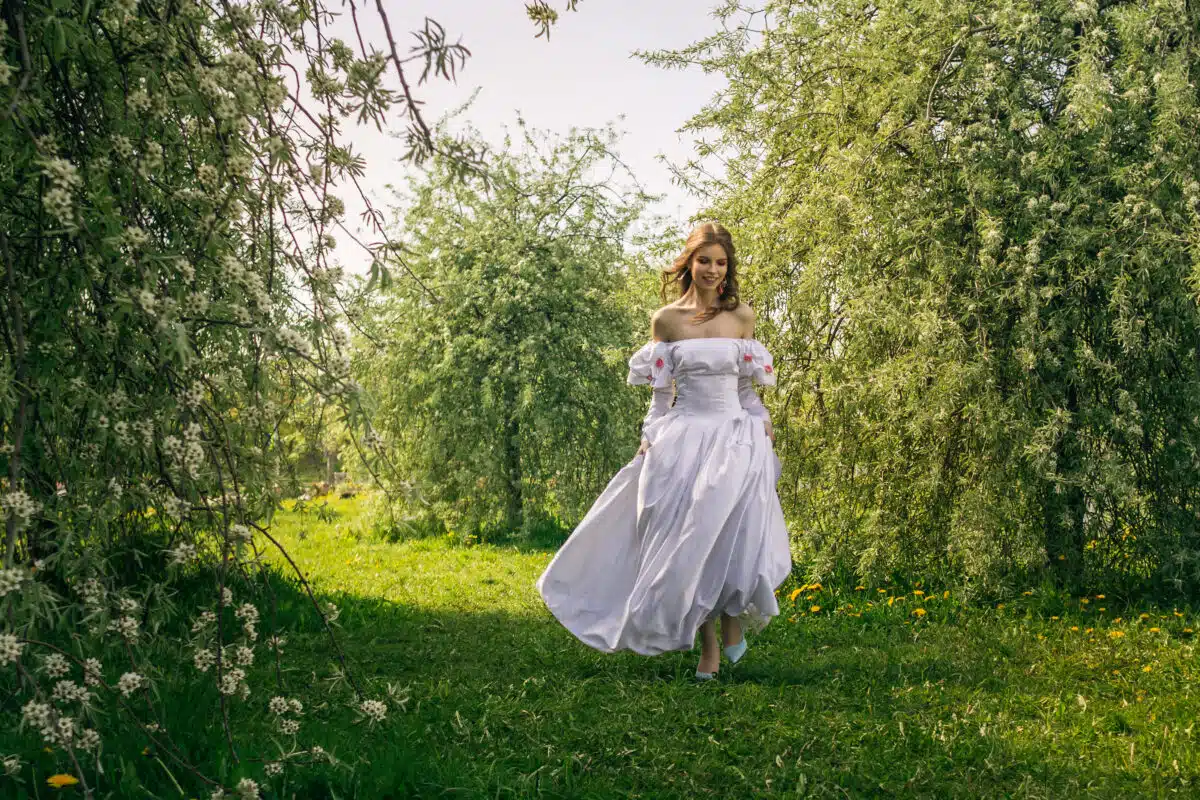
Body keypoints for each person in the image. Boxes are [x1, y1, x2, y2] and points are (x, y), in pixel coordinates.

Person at [536, 222, 791, 680]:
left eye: (721, 262)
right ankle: (710, 645)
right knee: (690, 538)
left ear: (728, 268)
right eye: (705, 260)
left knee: (731, 530)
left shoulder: (743, 318)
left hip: (736, 434)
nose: (713, 270)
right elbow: (660, 397)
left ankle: (733, 620)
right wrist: (651, 435)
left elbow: (747, 391)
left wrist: (763, 420)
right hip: (686, 433)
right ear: (689, 263)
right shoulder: (666, 321)